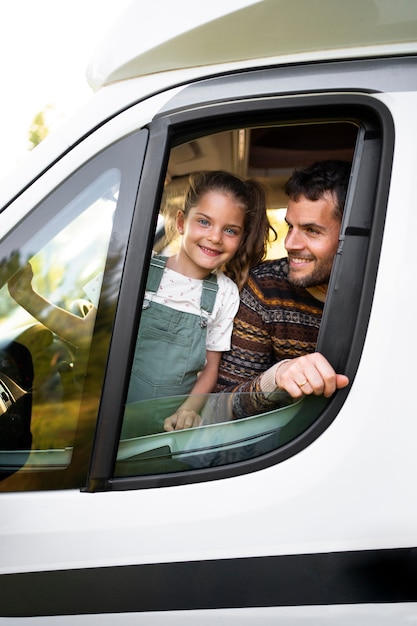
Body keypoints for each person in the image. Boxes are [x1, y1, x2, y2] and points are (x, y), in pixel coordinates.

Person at [165, 160, 350, 429]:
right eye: (290, 227)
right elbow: (219, 404)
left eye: (311, 230)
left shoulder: (389, 293)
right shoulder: (265, 288)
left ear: (350, 236)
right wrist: (275, 378)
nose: (290, 244)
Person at [122, 170, 274, 435]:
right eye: (204, 222)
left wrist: (188, 410)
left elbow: (210, 368)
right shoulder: (140, 269)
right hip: (111, 411)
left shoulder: (225, 294)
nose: (215, 237)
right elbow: (93, 335)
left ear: (240, 240)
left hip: (167, 428)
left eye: (230, 230)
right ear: (181, 222)